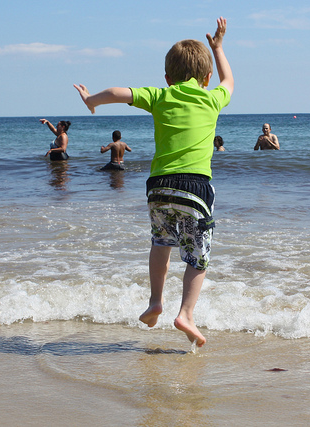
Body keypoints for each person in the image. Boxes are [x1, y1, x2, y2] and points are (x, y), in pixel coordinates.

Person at [74, 17, 233, 348]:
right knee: (197, 256)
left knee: (162, 243)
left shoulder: (161, 95)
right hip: (196, 188)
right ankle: (186, 314)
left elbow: (120, 92)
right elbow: (229, 79)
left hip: (159, 187)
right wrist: (218, 48)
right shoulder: (213, 98)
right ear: (206, 79)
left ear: (167, 77)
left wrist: (92, 101)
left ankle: (155, 301)